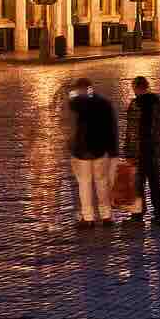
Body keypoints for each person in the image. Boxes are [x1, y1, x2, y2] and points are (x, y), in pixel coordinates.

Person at [66, 78, 120, 226]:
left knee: (84, 183)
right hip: (100, 149)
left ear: (80, 89)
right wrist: (113, 150)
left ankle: (88, 217)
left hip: (82, 150)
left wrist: (72, 92)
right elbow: (112, 127)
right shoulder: (104, 103)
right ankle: (106, 215)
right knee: (102, 183)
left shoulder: (77, 103)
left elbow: (71, 104)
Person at [123, 77, 160, 225]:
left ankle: (137, 215)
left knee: (138, 184)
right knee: (157, 183)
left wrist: (128, 152)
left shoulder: (135, 104)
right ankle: (159, 215)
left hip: (139, 150)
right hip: (155, 150)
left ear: (136, 88)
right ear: (147, 86)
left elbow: (132, 131)